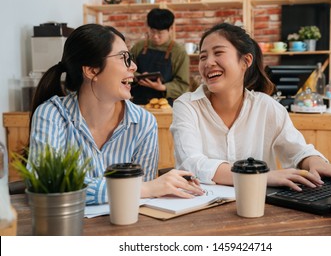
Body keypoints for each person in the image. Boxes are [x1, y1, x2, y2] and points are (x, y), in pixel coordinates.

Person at [28, 23, 203, 205]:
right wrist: (143, 189)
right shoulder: (52, 115)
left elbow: (142, 197)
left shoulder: (143, 122)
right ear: (92, 70)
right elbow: (45, 183)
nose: (134, 67)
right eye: (124, 58)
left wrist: (146, 189)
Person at [170, 23, 331, 191]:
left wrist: (315, 161)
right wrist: (260, 176)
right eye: (203, 56)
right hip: (202, 212)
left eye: (218, 53)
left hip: (260, 208)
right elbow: (192, 163)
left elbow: (298, 150)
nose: (208, 63)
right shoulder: (187, 105)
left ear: (246, 61)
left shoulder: (267, 107)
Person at [130, 8, 190, 105]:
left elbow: (183, 85)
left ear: (170, 29)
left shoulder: (179, 52)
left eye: (160, 33)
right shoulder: (139, 47)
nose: (155, 36)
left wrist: (163, 87)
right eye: (152, 32)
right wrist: (138, 77)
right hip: (138, 103)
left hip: (164, 106)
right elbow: (125, 69)